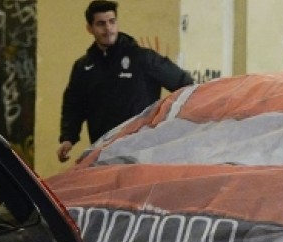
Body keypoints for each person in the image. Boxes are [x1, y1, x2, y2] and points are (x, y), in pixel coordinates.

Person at [57, 0, 193, 162]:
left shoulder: (142, 58)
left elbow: (185, 85)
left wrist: (171, 123)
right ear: (89, 28)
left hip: (141, 151)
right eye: (101, 24)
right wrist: (68, 138)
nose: (108, 29)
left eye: (112, 22)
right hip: (103, 152)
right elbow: (74, 104)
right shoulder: (83, 67)